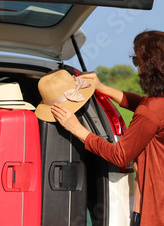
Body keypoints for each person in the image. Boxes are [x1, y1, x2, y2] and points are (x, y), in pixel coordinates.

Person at [50, 30, 164, 226]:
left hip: (152, 212)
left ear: (150, 65)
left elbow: (119, 155)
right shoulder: (156, 105)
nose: (136, 68)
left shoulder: (150, 111)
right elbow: (143, 104)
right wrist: (102, 88)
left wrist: (77, 129)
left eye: (137, 61)